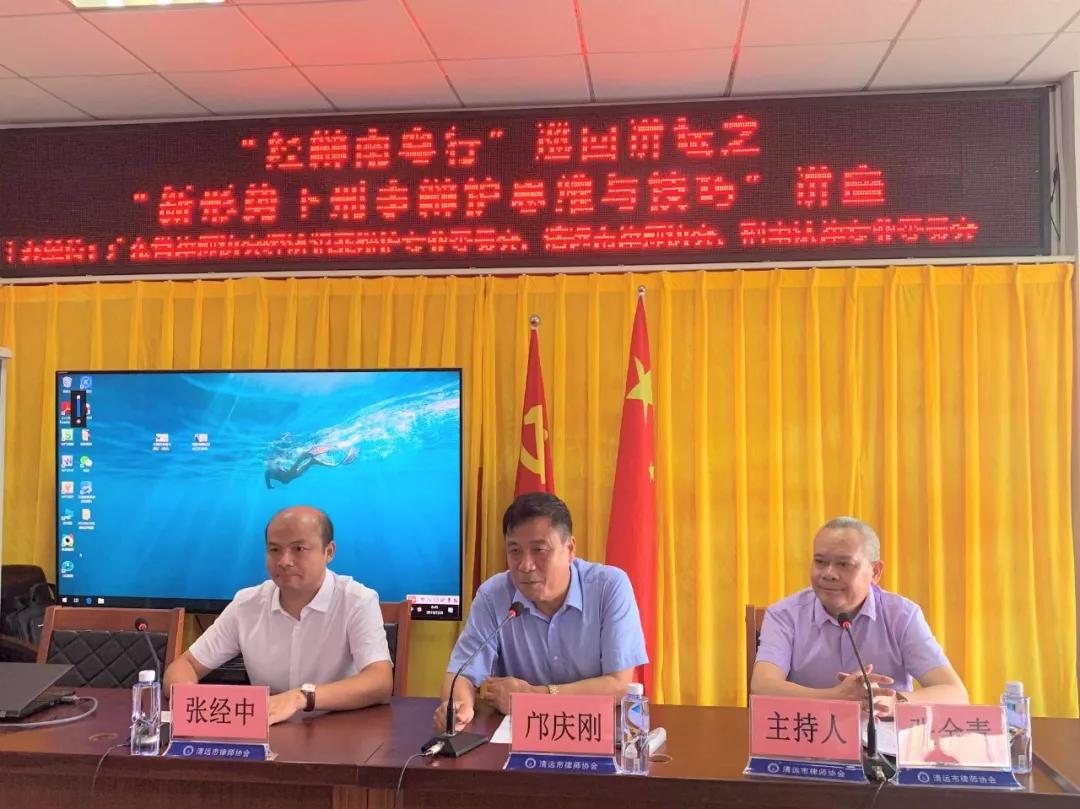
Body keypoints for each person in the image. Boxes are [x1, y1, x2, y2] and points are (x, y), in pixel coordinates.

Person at [433, 492, 647, 733]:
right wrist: (458, 708)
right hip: (516, 738)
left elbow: (619, 685)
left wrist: (534, 697)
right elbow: (461, 673)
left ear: (570, 549)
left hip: (594, 733)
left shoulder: (609, 587)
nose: (525, 565)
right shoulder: (493, 596)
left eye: (539, 550)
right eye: (515, 551)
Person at [163, 505, 393, 724]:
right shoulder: (246, 605)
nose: (284, 561)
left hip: (341, 733)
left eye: (298, 549)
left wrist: (300, 697)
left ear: (329, 552)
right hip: (267, 734)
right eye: (274, 550)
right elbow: (186, 665)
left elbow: (380, 682)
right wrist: (192, 700)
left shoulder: (357, 600)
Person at [750, 516, 967, 716]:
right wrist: (836, 698)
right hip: (811, 731)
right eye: (820, 561)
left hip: (883, 735)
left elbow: (954, 692)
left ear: (875, 572)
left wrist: (894, 702)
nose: (828, 573)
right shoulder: (785, 615)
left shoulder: (902, 615)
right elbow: (762, 686)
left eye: (844, 564)